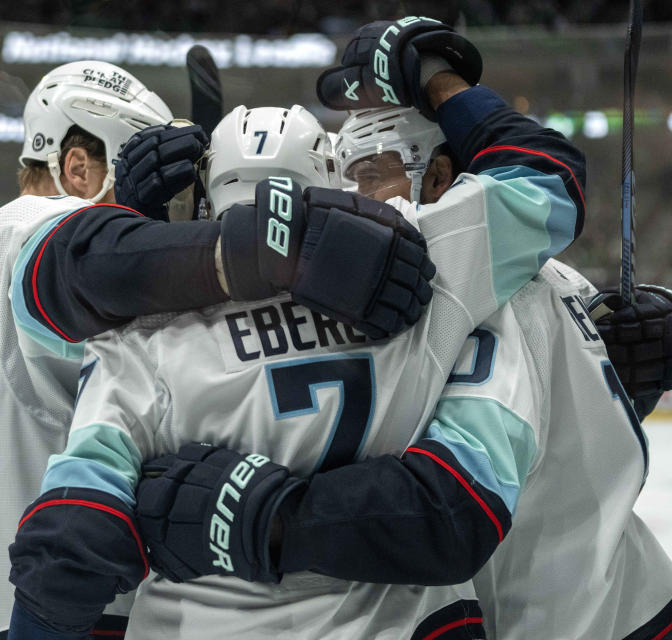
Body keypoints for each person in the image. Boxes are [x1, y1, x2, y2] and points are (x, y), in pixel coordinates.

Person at [0, 59, 439, 638]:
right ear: (76, 166)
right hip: (37, 613)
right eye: (137, 166)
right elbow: (94, 268)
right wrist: (287, 245)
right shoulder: (51, 237)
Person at [6, 22, 593, 631]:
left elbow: (70, 544)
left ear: (207, 196)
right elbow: (548, 181)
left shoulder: (141, 330)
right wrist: (437, 80)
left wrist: (133, 216)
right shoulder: (426, 262)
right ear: (328, 179)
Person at [128, 30, 672, 639]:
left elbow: (450, 507)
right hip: (627, 597)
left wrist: (260, 517)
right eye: (346, 179)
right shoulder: (545, 273)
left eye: (375, 173)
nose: (358, 199)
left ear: (440, 176)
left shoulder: (457, 277)